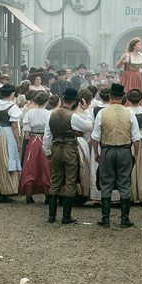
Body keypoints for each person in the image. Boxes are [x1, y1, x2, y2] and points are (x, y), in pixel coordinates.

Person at [91, 83, 142, 228]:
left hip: (107, 150)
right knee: (124, 183)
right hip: (125, 150)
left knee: (106, 182)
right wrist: (136, 154)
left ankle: (105, 218)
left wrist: (96, 152)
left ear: (110, 96)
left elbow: (95, 137)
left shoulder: (102, 113)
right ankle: (124, 218)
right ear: (122, 97)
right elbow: (136, 138)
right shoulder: (129, 113)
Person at [43, 88, 94, 224]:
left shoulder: (52, 115)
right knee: (70, 180)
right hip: (70, 147)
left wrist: (47, 151)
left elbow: (47, 136)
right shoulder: (73, 116)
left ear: (63, 99)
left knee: (55, 181)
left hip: (56, 147)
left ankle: (52, 216)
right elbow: (89, 126)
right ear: (75, 101)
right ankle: (66, 216)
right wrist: (87, 110)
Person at [19, 91, 52, 204]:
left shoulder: (29, 113)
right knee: (46, 166)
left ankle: (28, 195)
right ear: (47, 101)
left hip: (33, 141)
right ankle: (48, 195)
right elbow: (50, 131)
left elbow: (26, 133)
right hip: (45, 141)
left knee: (30, 166)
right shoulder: (48, 113)